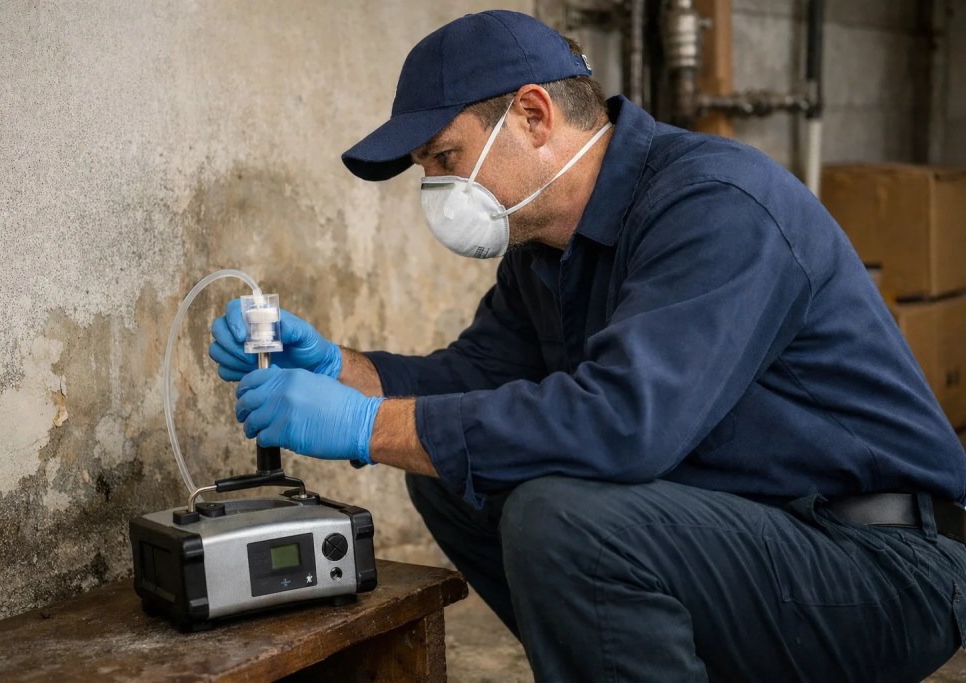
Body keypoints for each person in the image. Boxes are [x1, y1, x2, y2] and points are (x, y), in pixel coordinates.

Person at [209, 10, 966, 681]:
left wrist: (365, 428)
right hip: (759, 533)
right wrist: (344, 370)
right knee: (450, 473)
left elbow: (625, 423)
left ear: (533, 115)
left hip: (882, 565)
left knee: (560, 518)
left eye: (445, 158)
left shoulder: (713, 204)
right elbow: (472, 378)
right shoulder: (546, 249)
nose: (436, 190)